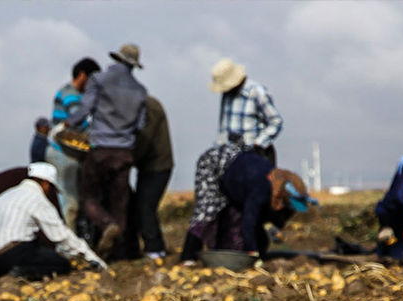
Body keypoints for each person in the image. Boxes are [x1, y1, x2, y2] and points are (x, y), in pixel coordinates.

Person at [61, 43, 147, 259]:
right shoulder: (140, 91)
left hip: (100, 149)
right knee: (120, 204)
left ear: (117, 59)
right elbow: (140, 126)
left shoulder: (99, 80)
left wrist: (67, 124)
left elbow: (84, 110)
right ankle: (115, 256)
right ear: (134, 65)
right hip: (125, 152)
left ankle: (105, 225)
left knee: (89, 197)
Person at [180, 147, 316, 263]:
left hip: (240, 176)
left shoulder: (277, 186)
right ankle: (188, 257)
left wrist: (275, 230)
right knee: (206, 212)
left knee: (235, 225)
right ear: (284, 197)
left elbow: (262, 219)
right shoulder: (260, 189)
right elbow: (249, 222)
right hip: (216, 165)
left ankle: (224, 253)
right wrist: (253, 252)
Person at [0, 162, 107, 280]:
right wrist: (91, 257)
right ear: (45, 183)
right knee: (60, 264)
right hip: (9, 256)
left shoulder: (7, 194)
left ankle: (4, 271)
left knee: (34, 242)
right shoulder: (37, 199)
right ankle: (20, 273)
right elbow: (61, 236)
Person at [46, 57, 101, 228]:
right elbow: (78, 121)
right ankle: (66, 246)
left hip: (69, 154)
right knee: (69, 203)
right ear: (83, 75)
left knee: (73, 200)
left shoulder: (76, 94)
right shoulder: (71, 95)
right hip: (63, 154)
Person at [125, 95, 174, 260]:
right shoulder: (142, 104)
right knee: (141, 205)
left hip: (157, 166)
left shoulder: (148, 107)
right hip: (149, 166)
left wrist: (127, 158)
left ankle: (154, 250)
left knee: (145, 206)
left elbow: (144, 140)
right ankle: (151, 247)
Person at [210, 58, 283, 166]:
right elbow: (223, 128)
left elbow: (276, 122)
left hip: (258, 156)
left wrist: (258, 143)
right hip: (232, 157)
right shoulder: (226, 95)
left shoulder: (257, 92)